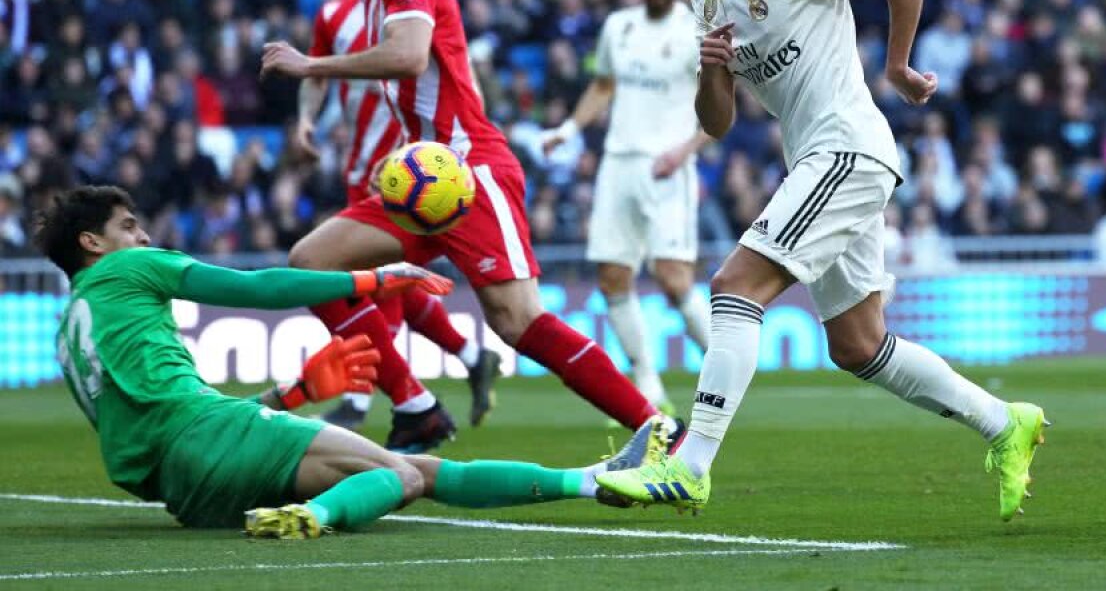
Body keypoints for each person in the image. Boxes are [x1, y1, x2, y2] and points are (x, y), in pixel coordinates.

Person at [598, 0, 1047, 522]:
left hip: (848, 148)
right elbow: (715, 125)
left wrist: (896, 66)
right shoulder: (709, 0)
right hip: (821, 158)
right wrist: (713, 72)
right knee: (859, 345)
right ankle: (1005, 422)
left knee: (733, 287)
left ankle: (689, 468)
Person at [261, 0, 676, 452]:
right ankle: (416, 404)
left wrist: (311, 66)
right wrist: (403, 150)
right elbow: (442, 78)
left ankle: (658, 429)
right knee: (310, 263)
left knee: (518, 322)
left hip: (470, 171)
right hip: (426, 178)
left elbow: (408, 56)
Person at [40, 185, 668, 537]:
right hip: (208, 436)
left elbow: (156, 432)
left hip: (185, 492)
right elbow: (259, 289)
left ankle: (596, 477)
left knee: (418, 466)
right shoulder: (129, 270)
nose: (143, 238)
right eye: (128, 227)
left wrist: (294, 393)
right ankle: (313, 517)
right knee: (399, 478)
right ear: (92, 244)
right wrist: (371, 281)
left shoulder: (67, 333)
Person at [301, 0, 502, 433]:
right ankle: (470, 357)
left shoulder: (414, 6)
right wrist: (305, 119)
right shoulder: (334, 15)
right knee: (374, 278)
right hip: (364, 165)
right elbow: (315, 77)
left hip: (412, 169)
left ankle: (366, 399)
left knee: (377, 280)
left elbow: (458, 79)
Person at [542, 0, 710, 415]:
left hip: (668, 166)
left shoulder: (696, 29)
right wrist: (569, 129)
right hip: (618, 163)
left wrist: (684, 151)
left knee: (674, 279)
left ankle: (721, 367)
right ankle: (648, 386)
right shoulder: (619, 26)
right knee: (613, 276)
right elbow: (603, 86)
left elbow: (719, 103)